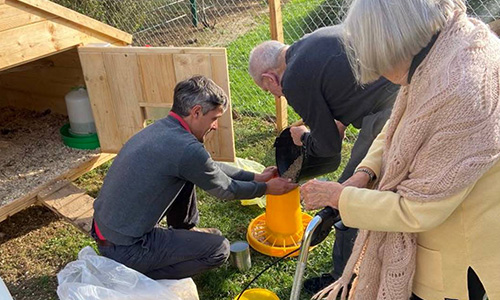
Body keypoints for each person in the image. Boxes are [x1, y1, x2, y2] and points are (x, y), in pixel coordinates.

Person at [301, 0, 500, 299]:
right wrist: (366, 173)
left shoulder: (459, 90)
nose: (379, 71)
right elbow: (400, 125)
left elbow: (418, 210)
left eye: (379, 59)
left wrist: (338, 196)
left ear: (395, 38)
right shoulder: (446, 47)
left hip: (458, 258)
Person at [91, 75, 297, 280]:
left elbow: (209, 167)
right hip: (127, 248)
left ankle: (185, 230)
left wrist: (257, 177)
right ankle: (142, 276)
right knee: (219, 249)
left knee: (188, 175)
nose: (215, 126)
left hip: (106, 230)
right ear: (196, 112)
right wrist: (267, 189)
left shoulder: (163, 129)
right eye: (214, 118)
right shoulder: (186, 149)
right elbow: (226, 189)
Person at [248, 25, 399, 290]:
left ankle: (343, 281)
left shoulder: (293, 78)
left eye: (267, 89)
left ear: (270, 78)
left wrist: (303, 138)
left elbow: (328, 149)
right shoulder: (311, 42)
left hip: (388, 112)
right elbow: (343, 84)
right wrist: (337, 121)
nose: (275, 94)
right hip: (399, 90)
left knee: (345, 198)